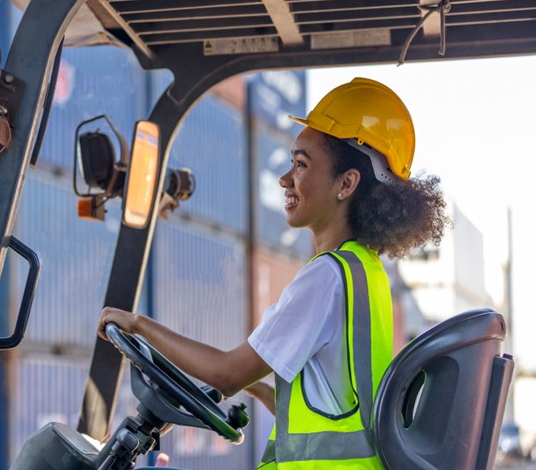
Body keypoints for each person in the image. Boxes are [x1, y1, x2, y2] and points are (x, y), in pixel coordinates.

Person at [97, 77, 448, 468]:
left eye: (300, 164)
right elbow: (343, 405)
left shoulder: (326, 278)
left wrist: (137, 325)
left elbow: (227, 373)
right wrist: (263, 391)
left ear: (346, 184)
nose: (285, 179)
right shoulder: (366, 273)